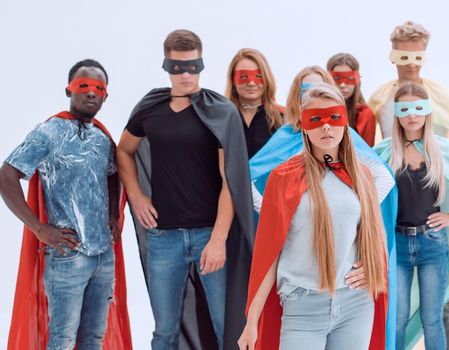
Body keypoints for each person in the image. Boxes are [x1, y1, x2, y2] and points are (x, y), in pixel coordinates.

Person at [116, 29, 253, 350]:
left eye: (193, 66)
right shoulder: (150, 108)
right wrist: (136, 196)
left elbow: (230, 181)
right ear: (166, 67)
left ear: (202, 65)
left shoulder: (220, 112)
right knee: (164, 331)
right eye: (178, 67)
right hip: (164, 237)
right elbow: (124, 151)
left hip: (209, 232)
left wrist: (218, 240)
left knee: (227, 327)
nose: (186, 74)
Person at [369, 21, 449, 349]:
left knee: (438, 307)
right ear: (392, 56)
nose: (411, 64)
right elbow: (371, 159)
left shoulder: (438, 100)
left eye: (417, 58)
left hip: (432, 217)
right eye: (404, 57)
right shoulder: (381, 98)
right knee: (394, 314)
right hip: (396, 214)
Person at [238, 83, 389, 350]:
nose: (326, 127)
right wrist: (251, 321)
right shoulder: (283, 178)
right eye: (316, 120)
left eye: (334, 118)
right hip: (302, 303)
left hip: (355, 303)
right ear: (305, 127)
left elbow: (373, 234)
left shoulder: (362, 175)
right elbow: (269, 251)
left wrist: (372, 268)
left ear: (345, 123)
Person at [0, 59, 131, 349]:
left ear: (106, 95)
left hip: (103, 254)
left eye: (98, 87)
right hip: (67, 255)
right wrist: (38, 228)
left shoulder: (102, 138)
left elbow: (113, 175)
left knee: (94, 337)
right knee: (62, 338)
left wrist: (112, 215)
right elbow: (7, 175)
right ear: (68, 90)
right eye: (82, 86)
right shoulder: (49, 132)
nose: (91, 92)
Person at [224, 48, 284, 158]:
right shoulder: (220, 118)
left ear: (266, 78)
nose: (251, 83)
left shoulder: (284, 118)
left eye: (258, 76)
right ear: (233, 80)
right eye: (243, 77)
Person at [327, 53, 376, 146]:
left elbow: (367, 152)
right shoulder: (318, 110)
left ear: (357, 80)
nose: (342, 85)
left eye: (349, 78)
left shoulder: (364, 114)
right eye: (337, 78)